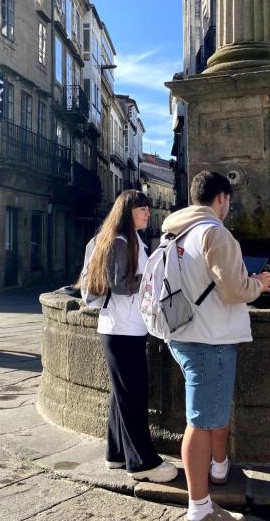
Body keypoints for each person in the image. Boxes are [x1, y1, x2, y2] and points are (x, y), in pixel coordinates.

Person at [160, 171, 270, 521]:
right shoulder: (215, 233)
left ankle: (217, 474)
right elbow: (233, 290)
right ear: (222, 198)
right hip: (210, 337)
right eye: (229, 200)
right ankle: (199, 508)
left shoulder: (174, 232)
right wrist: (258, 282)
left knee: (207, 415)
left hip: (182, 332)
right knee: (199, 421)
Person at [80, 190, 178, 484]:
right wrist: (153, 278)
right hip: (120, 329)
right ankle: (142, 462)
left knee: (121, 394)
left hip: (126, 327)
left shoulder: (131, 240)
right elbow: (121, 285)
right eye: (142, 208)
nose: (148, 212)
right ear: (127, 211)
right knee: (133, 395)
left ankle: (117, 453)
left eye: (148, 207)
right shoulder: (121, 242)